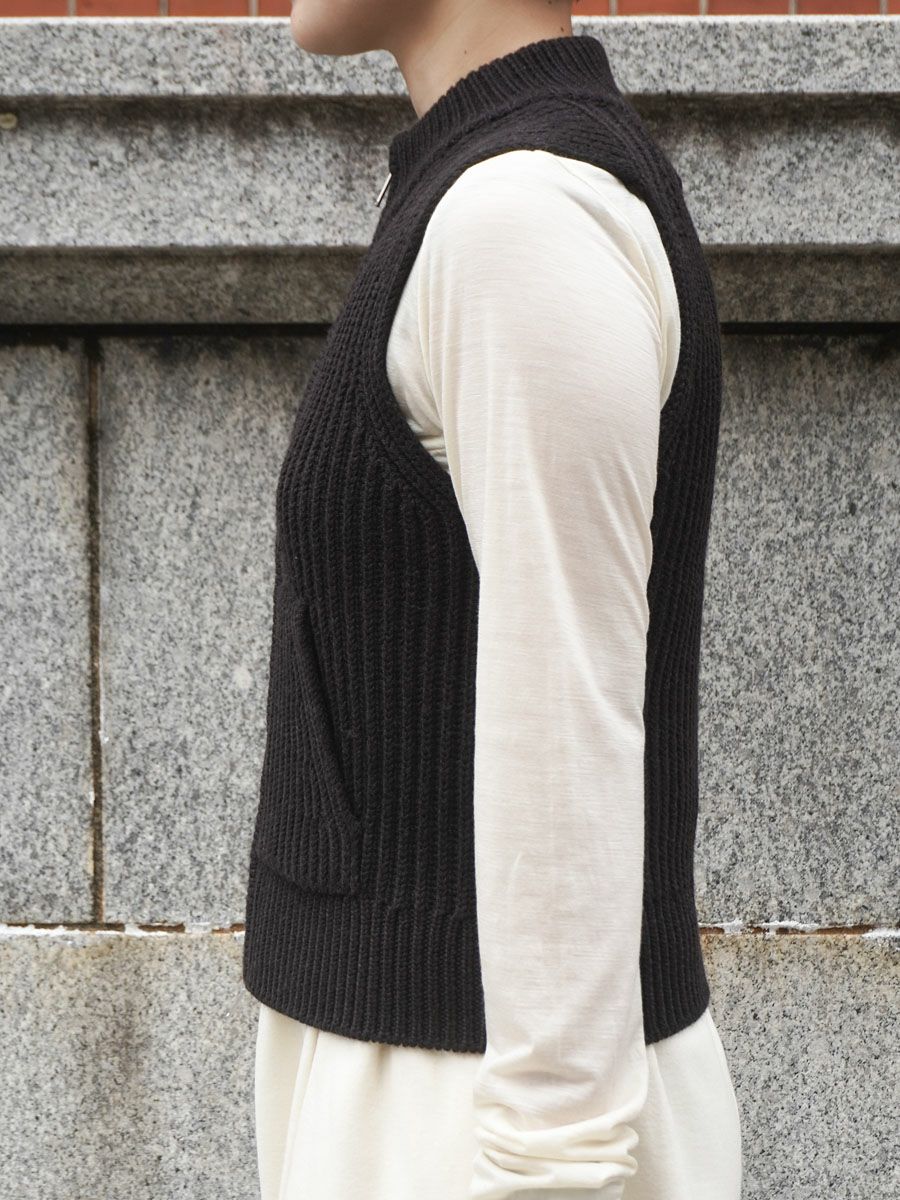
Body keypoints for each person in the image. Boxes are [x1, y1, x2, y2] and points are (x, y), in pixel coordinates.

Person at [242, 2, 743, 1198]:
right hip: (431, 1085)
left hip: (487, 1118)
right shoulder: (480, 196)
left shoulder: (523, 217)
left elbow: (568, 725)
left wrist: (552, 1166)